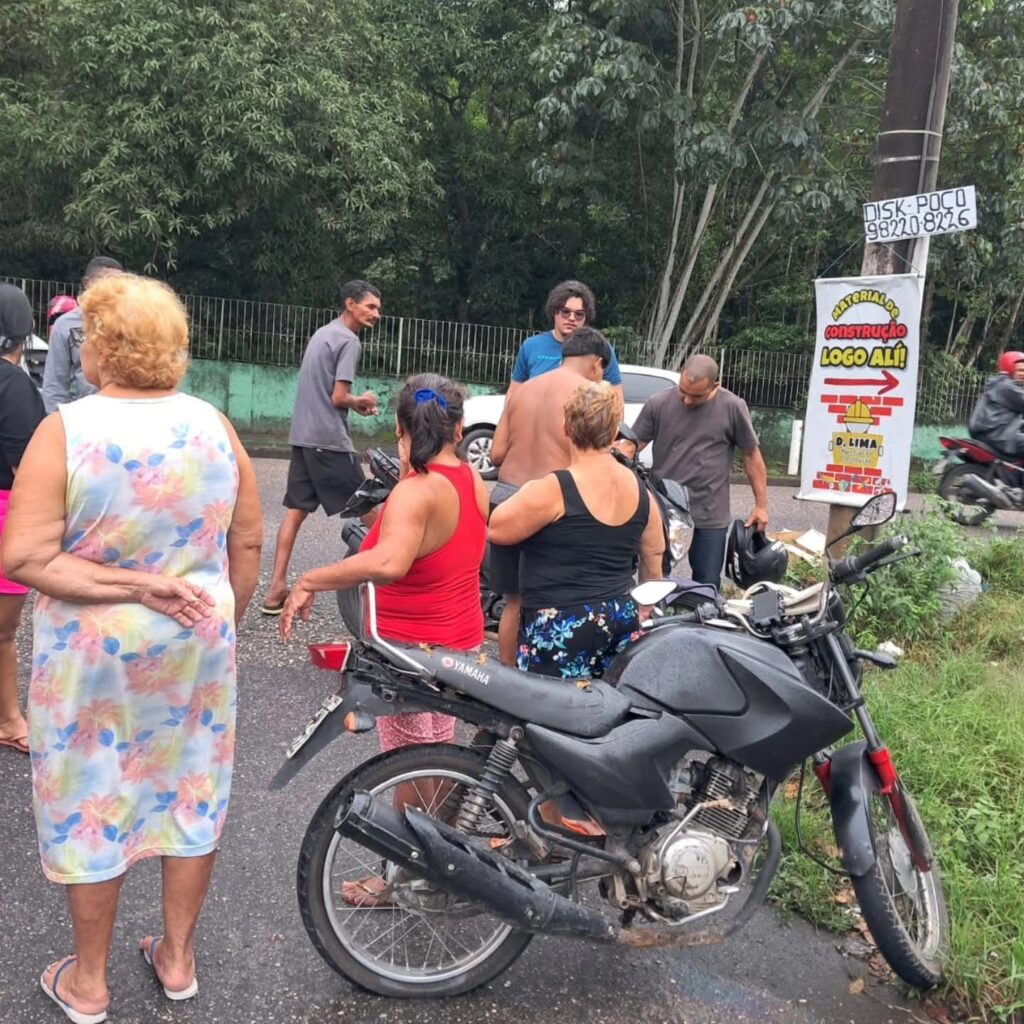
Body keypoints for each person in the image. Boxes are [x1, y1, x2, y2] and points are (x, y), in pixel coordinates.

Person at [2, 273, 263, 1023]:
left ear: (100, 347)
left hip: (93, 657)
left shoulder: (68, 431)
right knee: (191, 790)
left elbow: (24, 557)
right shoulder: (216, 427)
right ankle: (176, 958)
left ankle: (89, 982)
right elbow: (246, 537)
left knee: (93, 796)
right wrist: (223, 619)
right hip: (195, 645)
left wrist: (126, 588)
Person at [489, 381, 664, 680]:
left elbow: (498, 529)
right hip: (620, 616)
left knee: (551, 716)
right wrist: (644, 608)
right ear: (612, 434)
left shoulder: (553, 489)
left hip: (560, 622)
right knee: (609, 709)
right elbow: (654, 557)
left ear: (566, 429)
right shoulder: (641, 490)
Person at [488, 327, 612, 665]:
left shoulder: (522, 391)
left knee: (513, 601)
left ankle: (507, 683)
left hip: (506, 497)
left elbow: (496, 454)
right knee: (554, 601)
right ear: (597, 364)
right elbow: (598, 459)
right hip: (551, 503)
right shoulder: (590, 395)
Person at [261, 280, 382, 614]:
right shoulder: (348, 340)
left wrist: (352, 404)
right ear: (350, 304)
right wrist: (362, 399)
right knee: (370, 509)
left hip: (302, 436)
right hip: (327, 441)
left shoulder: (323, 333)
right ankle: (407, 579)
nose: (376, 314)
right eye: (370, 307)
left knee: (296, 512)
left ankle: (274, 591)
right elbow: (338, 397)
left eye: (377, 309)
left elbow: (329, 395)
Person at [630, 354, 767, 589]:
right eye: (683, 391)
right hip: (664, 511)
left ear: (715, 386)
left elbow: (751, 455)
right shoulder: (658, 403)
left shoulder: (733, 407)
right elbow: (632, 447)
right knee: (653, 582)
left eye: (696, 396)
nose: (686, 400)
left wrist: (761, 505)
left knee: (707, 585)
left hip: (710, 513)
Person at [0, 284, 46, 756]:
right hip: (5, 511)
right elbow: (24, 472)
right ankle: (10, 720)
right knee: (3, 631)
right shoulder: (14, 385)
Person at [508, 280, 624, 399]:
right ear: (554, 311)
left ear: (586, 317)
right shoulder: (531, 346)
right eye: (565, 312)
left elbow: (616, 398)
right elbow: (513, 395)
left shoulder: (600, 348)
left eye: (579, 314)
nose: (572, 318)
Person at [41, 257, 123, 413]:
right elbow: (55, 383)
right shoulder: (65, 325)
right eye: (107, 281)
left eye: (119, 284)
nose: (113, 289)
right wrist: (58, 424)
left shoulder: (133, 323)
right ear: (87, 283)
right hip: (83, 415)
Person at [968, 350, 1024, 459]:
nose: (1023, 373)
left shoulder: (998, 383)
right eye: (1020, 370)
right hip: (998, 436)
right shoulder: (1006, 387)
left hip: (988, 432)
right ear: (1010, 368)